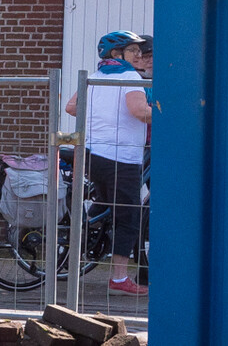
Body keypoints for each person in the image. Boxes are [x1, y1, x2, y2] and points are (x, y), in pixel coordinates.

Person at [64, 30, 151, 296]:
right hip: (121, 158)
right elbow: (138, 111)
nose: (138, 54)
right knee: (128, 217)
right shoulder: (130, 77)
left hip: (92, 154)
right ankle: (119, 279)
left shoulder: (95, 76)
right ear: (116, 54)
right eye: (133, 50)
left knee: (103, 207)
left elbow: (70, 107)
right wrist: (164, 111)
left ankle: (87, 247)